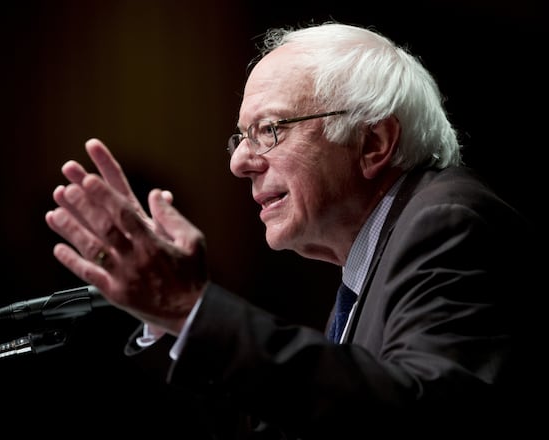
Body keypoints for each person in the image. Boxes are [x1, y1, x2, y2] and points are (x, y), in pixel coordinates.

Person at [43, 21, 540, 439]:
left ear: (373, 143)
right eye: (240, 137)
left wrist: (190, 308)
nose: (239, 162)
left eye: (270, 130)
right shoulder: (381, 251)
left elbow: (415, 424)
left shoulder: (446, 224)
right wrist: (171, 319)